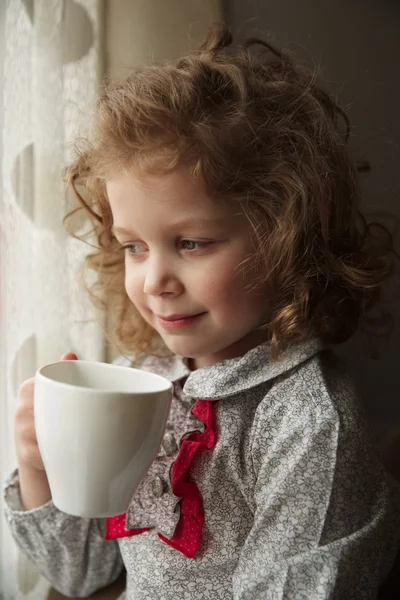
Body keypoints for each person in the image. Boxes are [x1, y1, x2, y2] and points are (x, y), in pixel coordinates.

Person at [4, 22, 400, 600]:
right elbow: (81, 575)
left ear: (285, 236)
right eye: (134, 246)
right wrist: (42, 468)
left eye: (191, 243)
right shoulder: (144, 371)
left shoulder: (307, 425)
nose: (155, 280)